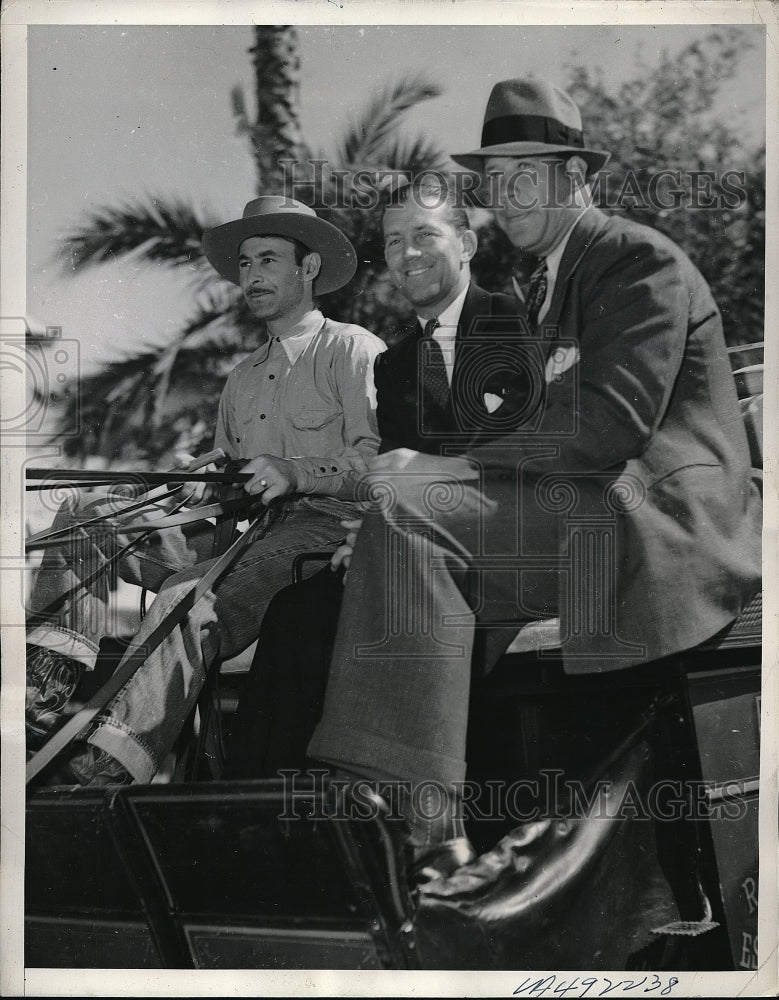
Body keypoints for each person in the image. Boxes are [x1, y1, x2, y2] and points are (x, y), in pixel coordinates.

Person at [302, 78, 762, 882]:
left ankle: (418, 835)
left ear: (575, 179)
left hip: (657, 523)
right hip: (590, 510)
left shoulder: (631, 257)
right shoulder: (550, 280)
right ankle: (404, 823)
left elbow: (607, 424)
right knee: (392, 533)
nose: (504, 197)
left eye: (528, 175)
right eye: (495, 179)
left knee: (413, 513)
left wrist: (451, 464)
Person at [26, 196, 385, 785]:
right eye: (245, 264)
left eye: (269, 259)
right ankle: (44, 685)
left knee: (185, 601)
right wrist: (196, 481)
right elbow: (228, 477)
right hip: (242, 537)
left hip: (322, 534)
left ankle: (110, 768)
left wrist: (296, 472)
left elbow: (378, 465)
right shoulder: (242, 376)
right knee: (83, 510)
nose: (253, 275)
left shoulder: (351, 349)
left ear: (309, 268)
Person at [224, 177, 527, 791]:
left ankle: (425, 813)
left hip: (503, 545)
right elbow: (391, 468)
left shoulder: (520, 324)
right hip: (411, 548)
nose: (408, 254)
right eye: (393, 242)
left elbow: (527, 462)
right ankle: (265, 816)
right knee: (294, 614)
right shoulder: (395, 365)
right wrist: (372, 527)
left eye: (425, 235)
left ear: (466, 244)